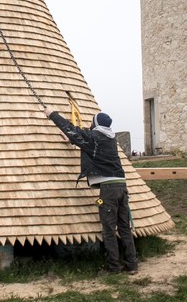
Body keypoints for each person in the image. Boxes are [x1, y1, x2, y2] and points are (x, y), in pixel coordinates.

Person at [43, 107, 138, 274]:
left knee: (108, 229)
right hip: (121, 186)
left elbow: (71, 129)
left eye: (91, 122)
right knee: (124, 227)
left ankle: (113, 267)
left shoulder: (95, 136)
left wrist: (53, 114)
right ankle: (132, 264)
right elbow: (88, 144)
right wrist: (73, 140)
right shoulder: (109, 138)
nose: (89, 124)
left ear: (96, 124)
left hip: (108, 189)